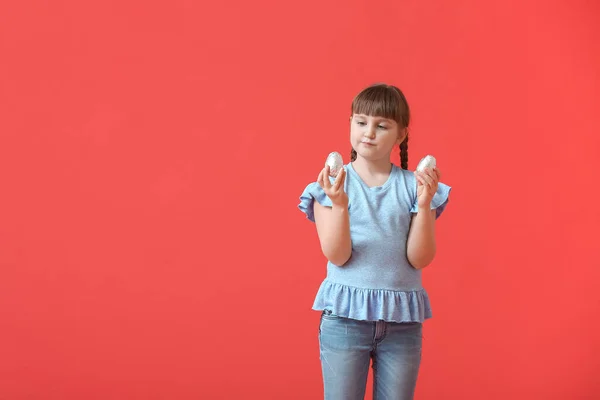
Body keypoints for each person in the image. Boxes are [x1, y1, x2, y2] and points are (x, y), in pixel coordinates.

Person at [298, 83, 452, 400]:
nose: (369, 132)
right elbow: (338, 256)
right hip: (345, 320)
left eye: (382, 126)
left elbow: (419, 258)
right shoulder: (329, 185)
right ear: (350, 124)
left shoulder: (414, 187)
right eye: (361, 122)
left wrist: (423, 206)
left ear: (400, 135)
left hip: (402, 324)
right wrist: (339, 204)